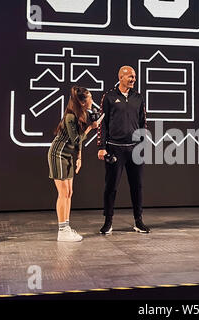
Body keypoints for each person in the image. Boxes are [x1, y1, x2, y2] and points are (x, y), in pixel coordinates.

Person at [97, 66, 150, 234]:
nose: (133, 79)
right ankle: (108, 222)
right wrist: (101, 147)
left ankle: (138, 221)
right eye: (130, 77)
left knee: (137, 186)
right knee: (111, 187)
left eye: (134, 77)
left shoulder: (138, 98)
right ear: (121, 77)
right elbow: (102, 124)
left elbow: (143, 123)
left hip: (134, 149)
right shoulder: (109, 97)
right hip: (114, 148)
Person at [48, 86, 98, 241]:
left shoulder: (81, 115)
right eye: (89, 97)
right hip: (58, 154)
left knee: (69, 192)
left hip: (69, 155)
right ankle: (62, 231)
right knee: (63, 193)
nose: (92, 100)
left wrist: (79, 158)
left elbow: (78, 143)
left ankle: (67, 228)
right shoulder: (70, 116)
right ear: (82, 102)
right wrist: (91, 128)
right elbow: (76, 139)